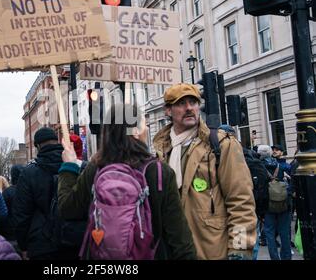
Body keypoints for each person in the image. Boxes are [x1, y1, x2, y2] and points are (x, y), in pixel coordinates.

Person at [58, 103, 196, 260]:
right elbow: (179, 236)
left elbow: (67, 209)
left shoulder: (95, 169)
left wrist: (68, 167)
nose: (147, 129)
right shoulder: (159, 172)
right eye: (144, 124)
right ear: (135, 132)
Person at [152, 83, 257, 260]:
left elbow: (241, 201)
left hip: (211, 251)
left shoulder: (222, 144)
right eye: (181, 103)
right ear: (168, 111)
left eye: (193, 102)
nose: (189, 108)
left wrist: (240, 250)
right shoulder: (159, 151)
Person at [13, 127, 76, 260]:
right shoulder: (73, 166)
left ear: (38, 146)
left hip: (41, 244)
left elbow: (21, 214)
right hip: (72, 239)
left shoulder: (28, 173)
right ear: (56, 141)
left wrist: (23, 245)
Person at [257, 145, 292, 260]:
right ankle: (286, 256)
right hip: (283, 202)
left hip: (268, 204)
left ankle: (274, 257)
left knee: (269, 233)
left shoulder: (259, 167)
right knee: (284, 231)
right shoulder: (280, 165)